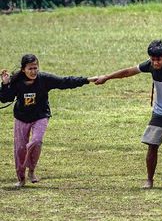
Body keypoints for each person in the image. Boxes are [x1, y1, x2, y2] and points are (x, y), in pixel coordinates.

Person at [94, 40, 162, 189]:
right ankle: (149, 180)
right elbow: (128, 72)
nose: (155, 63)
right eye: (152, 59)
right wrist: (107, 77)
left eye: (158, 59)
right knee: (152, 145)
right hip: (160, 112)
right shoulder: (149, 65)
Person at [0, 54, 97, 188]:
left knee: (36, 141)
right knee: (20, 149)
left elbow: (65, 82)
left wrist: (87, 80)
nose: (33, 71)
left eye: (35, 68)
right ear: (23, 69)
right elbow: (6, 99)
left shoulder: (44, 79)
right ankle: (21, 179)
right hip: (22, 118)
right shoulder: (17, 81)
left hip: (40, 116)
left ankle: (31, 170)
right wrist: (5, 84)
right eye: (30, 69)